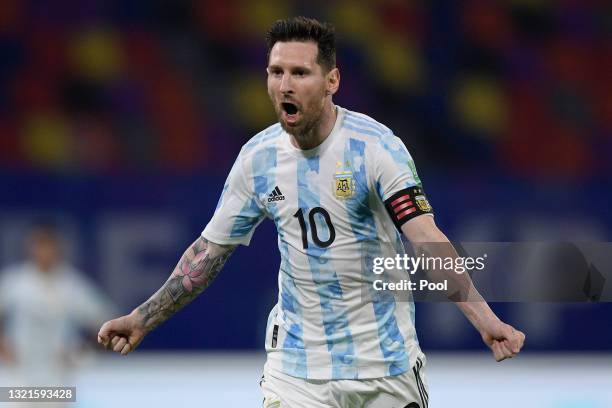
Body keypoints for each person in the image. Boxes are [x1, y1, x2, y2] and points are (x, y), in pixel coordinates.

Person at [98, 17, 525, 407]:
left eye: (300, 73)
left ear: (331, 80)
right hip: (296, 371)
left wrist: (485, 319)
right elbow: (206, 255)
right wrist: (142, 318)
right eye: (275, 71)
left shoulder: (375, 149)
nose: (285, 85)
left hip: (384, 367)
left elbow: (426, 238)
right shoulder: (258, 160)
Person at [0, 222, 115, 388]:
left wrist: (82, 351)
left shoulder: (71, 285)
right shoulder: (15, 282)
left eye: (49, 246)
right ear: (30, 248)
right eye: (39, 245)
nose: (44, 252)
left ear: (58, 248)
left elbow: (108, 321)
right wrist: (3, 345)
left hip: (58, 379)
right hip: (18, 376)